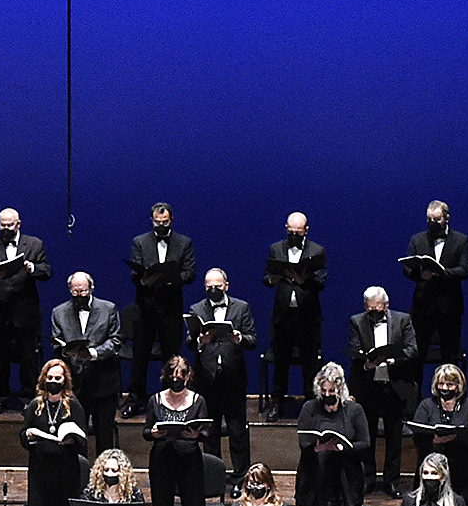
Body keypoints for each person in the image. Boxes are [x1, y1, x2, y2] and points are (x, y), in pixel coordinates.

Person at [292, 365, 370, 506]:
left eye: (331, 391)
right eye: (323, 391)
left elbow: (365, 443)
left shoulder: (354, 410)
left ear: (340, 389)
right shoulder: (309, 408)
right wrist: (316, 447)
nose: (327, 395)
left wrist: (344, 448)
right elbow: (303, 440)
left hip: (345, 480)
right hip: (315, 476)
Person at [146, 353, 216, 506]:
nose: (177, 379)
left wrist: (197, 434)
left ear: (188, 377)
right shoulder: (155, 400)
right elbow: (146, 431)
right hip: (162, 461)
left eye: (181, 375)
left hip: (190, 462)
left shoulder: (198, 401)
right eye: (172, 375)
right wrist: (154, 433)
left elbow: (207, 431)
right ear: (166, 376)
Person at [124, 202, 196, 411]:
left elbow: (189, 272)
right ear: (152, 220)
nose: (161, 225)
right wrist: (144, 279)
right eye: (157, 222)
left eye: (164, 222)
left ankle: (171, 401)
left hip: (171, 309)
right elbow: (134, 273)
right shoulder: (140, 241)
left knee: (171, 357)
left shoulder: (184, 242)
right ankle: (135, 399)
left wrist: (169, 280)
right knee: (140, 357)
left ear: (171, 220)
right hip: (145, 308)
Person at [0, 208, 52, 410]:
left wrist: (32, 268)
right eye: (3, 225)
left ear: (18, 224)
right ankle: (0, 397)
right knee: (0, 358)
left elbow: (46, 271)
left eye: (10, 225)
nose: (6, 228)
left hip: (24, 310)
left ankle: (29, 397)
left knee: (28, 357)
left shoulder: (34, 244)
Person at [22, 358, 89, 506]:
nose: (53, 381)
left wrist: (71, 440)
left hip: (66, 472)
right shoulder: (34, 405)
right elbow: (23, 436)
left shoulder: (74, 405)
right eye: (50, 378)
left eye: (57, 378)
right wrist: (28, 436)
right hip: (41, 473)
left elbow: (83, 438)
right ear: (44, 380)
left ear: (65, 381)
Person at [350, 287, 420, 496]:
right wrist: (366, 364)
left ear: (386, 305)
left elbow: (412, 349)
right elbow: (354, 350)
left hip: (394, 386)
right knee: (367, 435)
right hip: (369, 386)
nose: (374, 313)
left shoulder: (403, 320)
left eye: (378, 309)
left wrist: (392, 359)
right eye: (370, 309)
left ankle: (392, 481)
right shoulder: (357, 321)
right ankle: (368, 479)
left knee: (394, 436)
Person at [189, 268, 258, 474]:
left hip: (233, 379)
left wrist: (239, 339)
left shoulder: (241, 308)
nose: (213, 290)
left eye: (217, 287)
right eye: (209, 287)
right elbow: (190, 343)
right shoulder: (197, 309)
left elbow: (252, 340)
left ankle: (240, 475)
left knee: (237, 432)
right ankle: (214, 475)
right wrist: (201, 340)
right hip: (207, 380)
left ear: (226, 286)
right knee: (210, 432)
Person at [263, 212, 330, 419]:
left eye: (297, 232)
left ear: (306, 230)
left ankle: (311, 406)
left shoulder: (317, 250)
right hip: (283, 317)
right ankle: (277, 403)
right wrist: (273, 279)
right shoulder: (277, 248)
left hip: (307, 318)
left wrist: (304, 280)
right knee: (280, 363)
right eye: (290, 232)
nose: (293, 236)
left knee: (309, 364)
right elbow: (266, 277)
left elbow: (321, 283)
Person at [51, 273, 124, 445]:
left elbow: (116, 340)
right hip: (75, 385)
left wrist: (93, 353)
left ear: (91, 289)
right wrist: (67, 352)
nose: (79, 296)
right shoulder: (59, 312)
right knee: (75, 437)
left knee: (104, 437)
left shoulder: (108, 308)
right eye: (75, 292)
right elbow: (57, 343)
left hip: (104, 383)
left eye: (83, 292)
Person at [409, 364, 468, 506]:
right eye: (441, 384)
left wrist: (456, 438)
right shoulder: (426, 406)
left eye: (450, 384)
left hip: (463, 472)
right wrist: (435, 442)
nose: (445, 387)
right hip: (433, 475)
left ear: (459, 386)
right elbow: (418, 438)